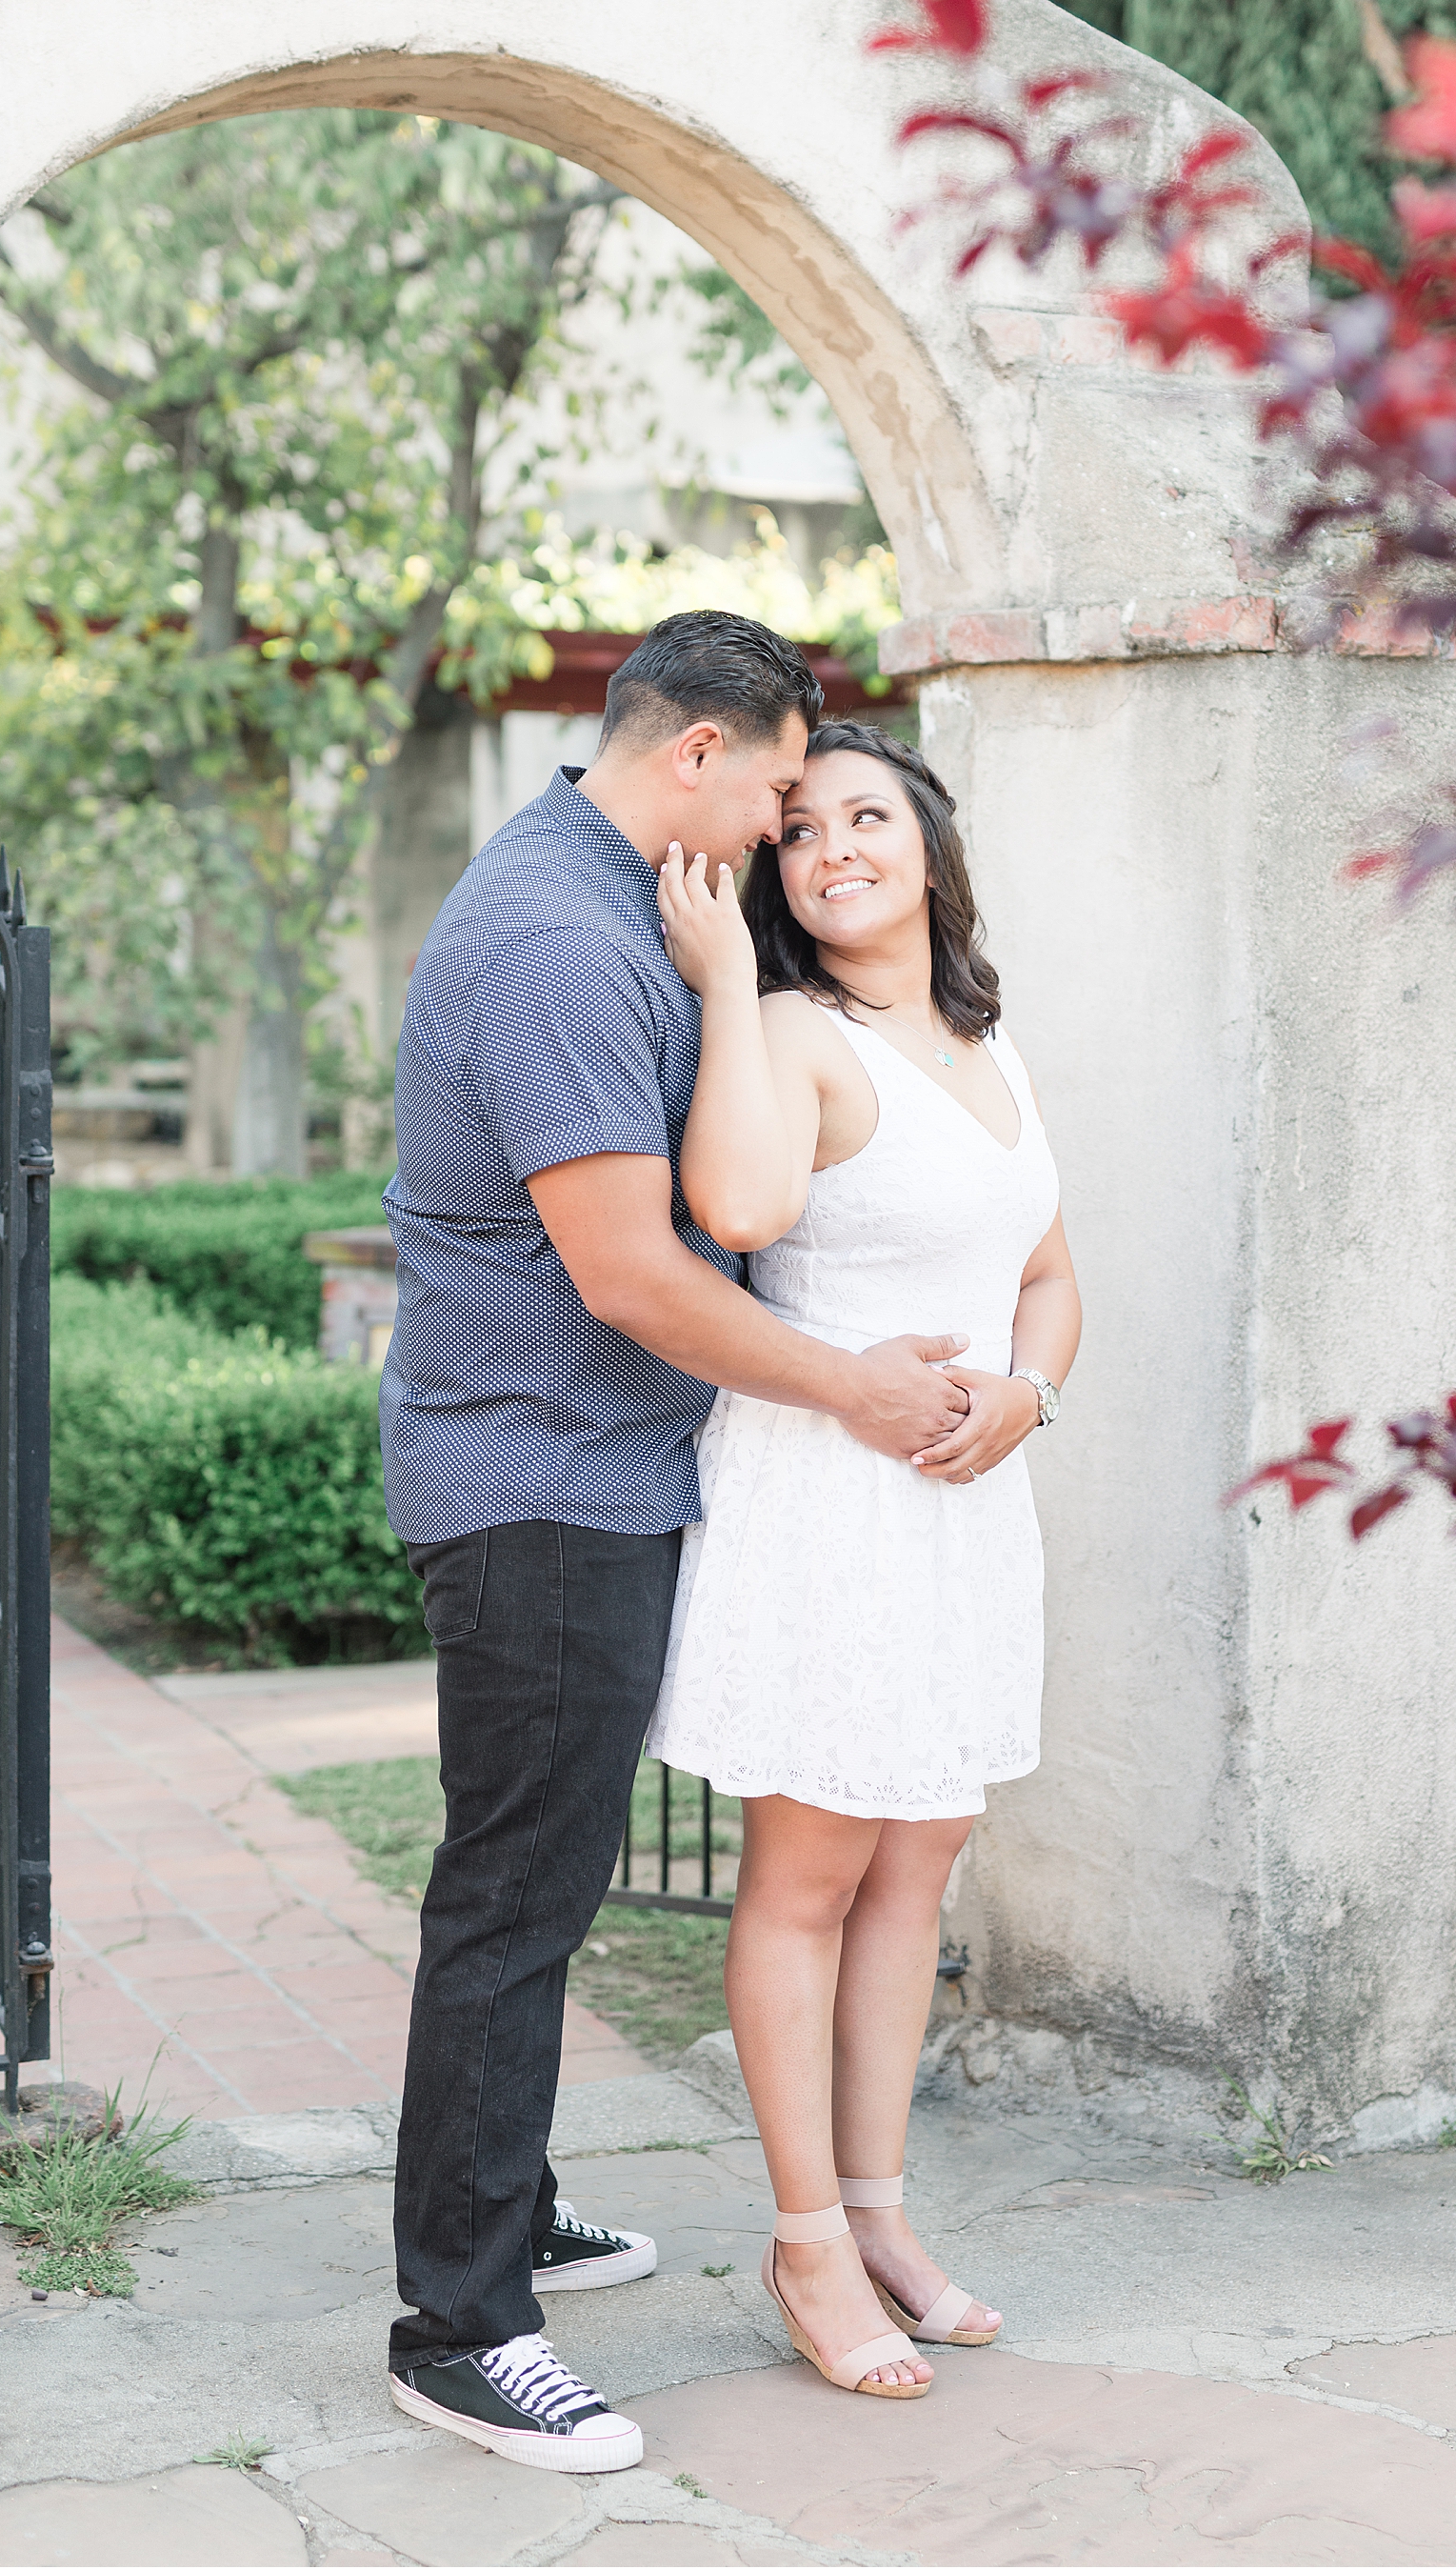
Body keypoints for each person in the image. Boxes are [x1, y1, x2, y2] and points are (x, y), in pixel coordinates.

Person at [378, 621, 975, 2471]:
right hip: (540, 1483)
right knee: (515, 1898)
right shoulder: (560, 934)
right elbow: (633, 1272)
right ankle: (460, 2325)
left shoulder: (604, 887)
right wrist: (852, 1392)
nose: (798, 822)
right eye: (787, 786)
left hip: (587, 1475)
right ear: (702, 754)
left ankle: (510, 2196)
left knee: (533, 1886)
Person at [649, 721, 1081, 2399]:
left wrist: (1029, 1395)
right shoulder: (786, 1027)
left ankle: (886, 2212)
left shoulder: (995, 1045)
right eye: (804, 826)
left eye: (868, 815)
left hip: (969, 1506)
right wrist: (712, 983)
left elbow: (1049, 1271)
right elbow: (745, 1211)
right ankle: (804, 2236)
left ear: (926, 843)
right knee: (812, 1879)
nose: (834, 844)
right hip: (826, 1506)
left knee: (920, 1873)